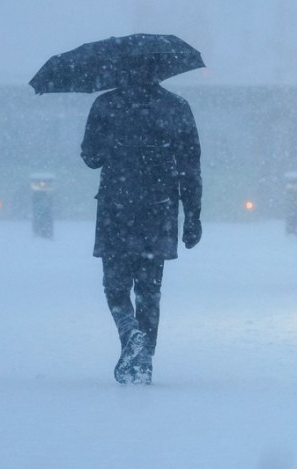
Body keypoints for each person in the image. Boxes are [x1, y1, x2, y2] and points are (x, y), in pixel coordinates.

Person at [80, 67, 202, 385]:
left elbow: (91, 157)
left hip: (116, 208)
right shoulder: (177, 106)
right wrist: (193, 216)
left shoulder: (106, 104)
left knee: (116, 288)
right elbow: (190, 166)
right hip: (159, 208)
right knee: (149, 290)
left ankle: (130, 332)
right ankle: (144, 357)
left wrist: (115, 147)